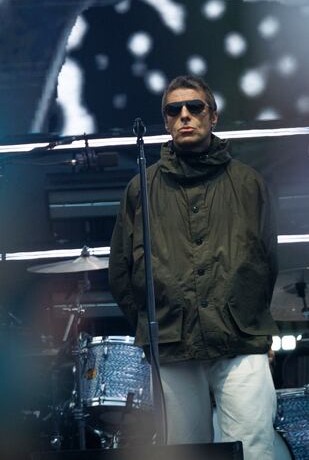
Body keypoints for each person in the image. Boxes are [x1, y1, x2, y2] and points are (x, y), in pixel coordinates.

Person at [108, 75, 281, 458]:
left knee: (254, 448)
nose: (185, 115)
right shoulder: (141, 188)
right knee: (185, 451)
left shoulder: (249, 184)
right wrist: (153, 326)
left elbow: (267, 261)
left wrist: (251, 319)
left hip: (240, 338)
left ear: (213, 116)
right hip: (172, 341)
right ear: (166, 122)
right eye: (174, 110)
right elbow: (121, 270)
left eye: (195, 107)